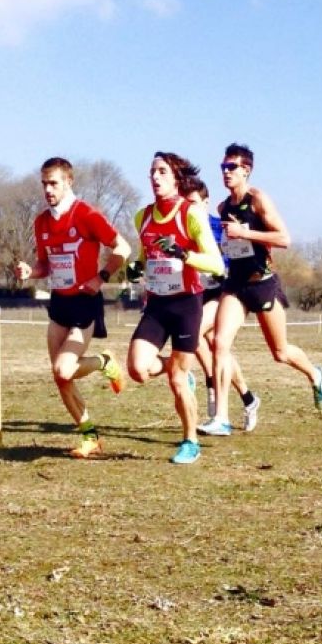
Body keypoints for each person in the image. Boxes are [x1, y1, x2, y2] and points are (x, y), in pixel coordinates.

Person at [204, 143, 322, 434]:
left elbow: (284, 238)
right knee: (219, 344)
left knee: (280, 353)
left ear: (246, 170)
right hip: (235, 285)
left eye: (231, 168)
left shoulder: (257, 200)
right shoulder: (223, 207)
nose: (225, 173)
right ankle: (221, 416)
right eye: (223, 167)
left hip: (263, 284)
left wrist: (245, 232)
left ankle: (315, 374)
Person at [15, 157, 131, 458]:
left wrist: (102, 276)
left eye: (53, 183)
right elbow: (45, 264)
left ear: (69, 182)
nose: (48, 190)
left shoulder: (87, 215)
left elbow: (123, 249)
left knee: (64, 368)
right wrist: (31, 272)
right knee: (61, 378)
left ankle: (104, 362)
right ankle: (89, 436)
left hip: (84, 303)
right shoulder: (41, 221)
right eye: (44, 184)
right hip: (59, 303)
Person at [127, 152, 224, 464]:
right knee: (138, 369)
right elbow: (145, 256)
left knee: (177, 382)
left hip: (186, 304)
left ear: (177, 178)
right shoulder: (142, 216)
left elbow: (217, 264)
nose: (155, 177)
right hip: (156, 304)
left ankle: (190, 441)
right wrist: (134, 268)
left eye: (162, 171)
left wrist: (184, 254)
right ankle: (177, 365)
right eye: (152, 171)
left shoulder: (191, 213)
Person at [186, 178, 260, 432]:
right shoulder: (182, 229)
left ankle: (210, 383)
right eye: (185, 204)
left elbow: (238, 258)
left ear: (205, 203)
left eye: (194, 203)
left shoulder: (219, 227)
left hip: (221, 293)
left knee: (195, 334)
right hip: (195, 294)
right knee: (221, 350)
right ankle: (248, 398)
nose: (189, 209)